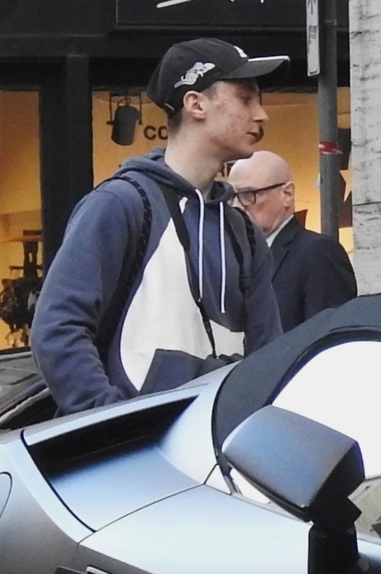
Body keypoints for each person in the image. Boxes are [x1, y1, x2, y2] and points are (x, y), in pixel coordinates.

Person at [33, 37, 285, 415]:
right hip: (133, 454)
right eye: (246, 98)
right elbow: (57, 329)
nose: (262, 115)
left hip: (215, 449)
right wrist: (108, 422)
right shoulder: (120, 205)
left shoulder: (242, 231)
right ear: (195, 103)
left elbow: (269, 353)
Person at [229, 148, 358, 331]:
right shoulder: (233, 260)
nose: (236, 206)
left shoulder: (317, 253)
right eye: (230, 196)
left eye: (248, 195)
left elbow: (328, 336)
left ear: (287, 194)